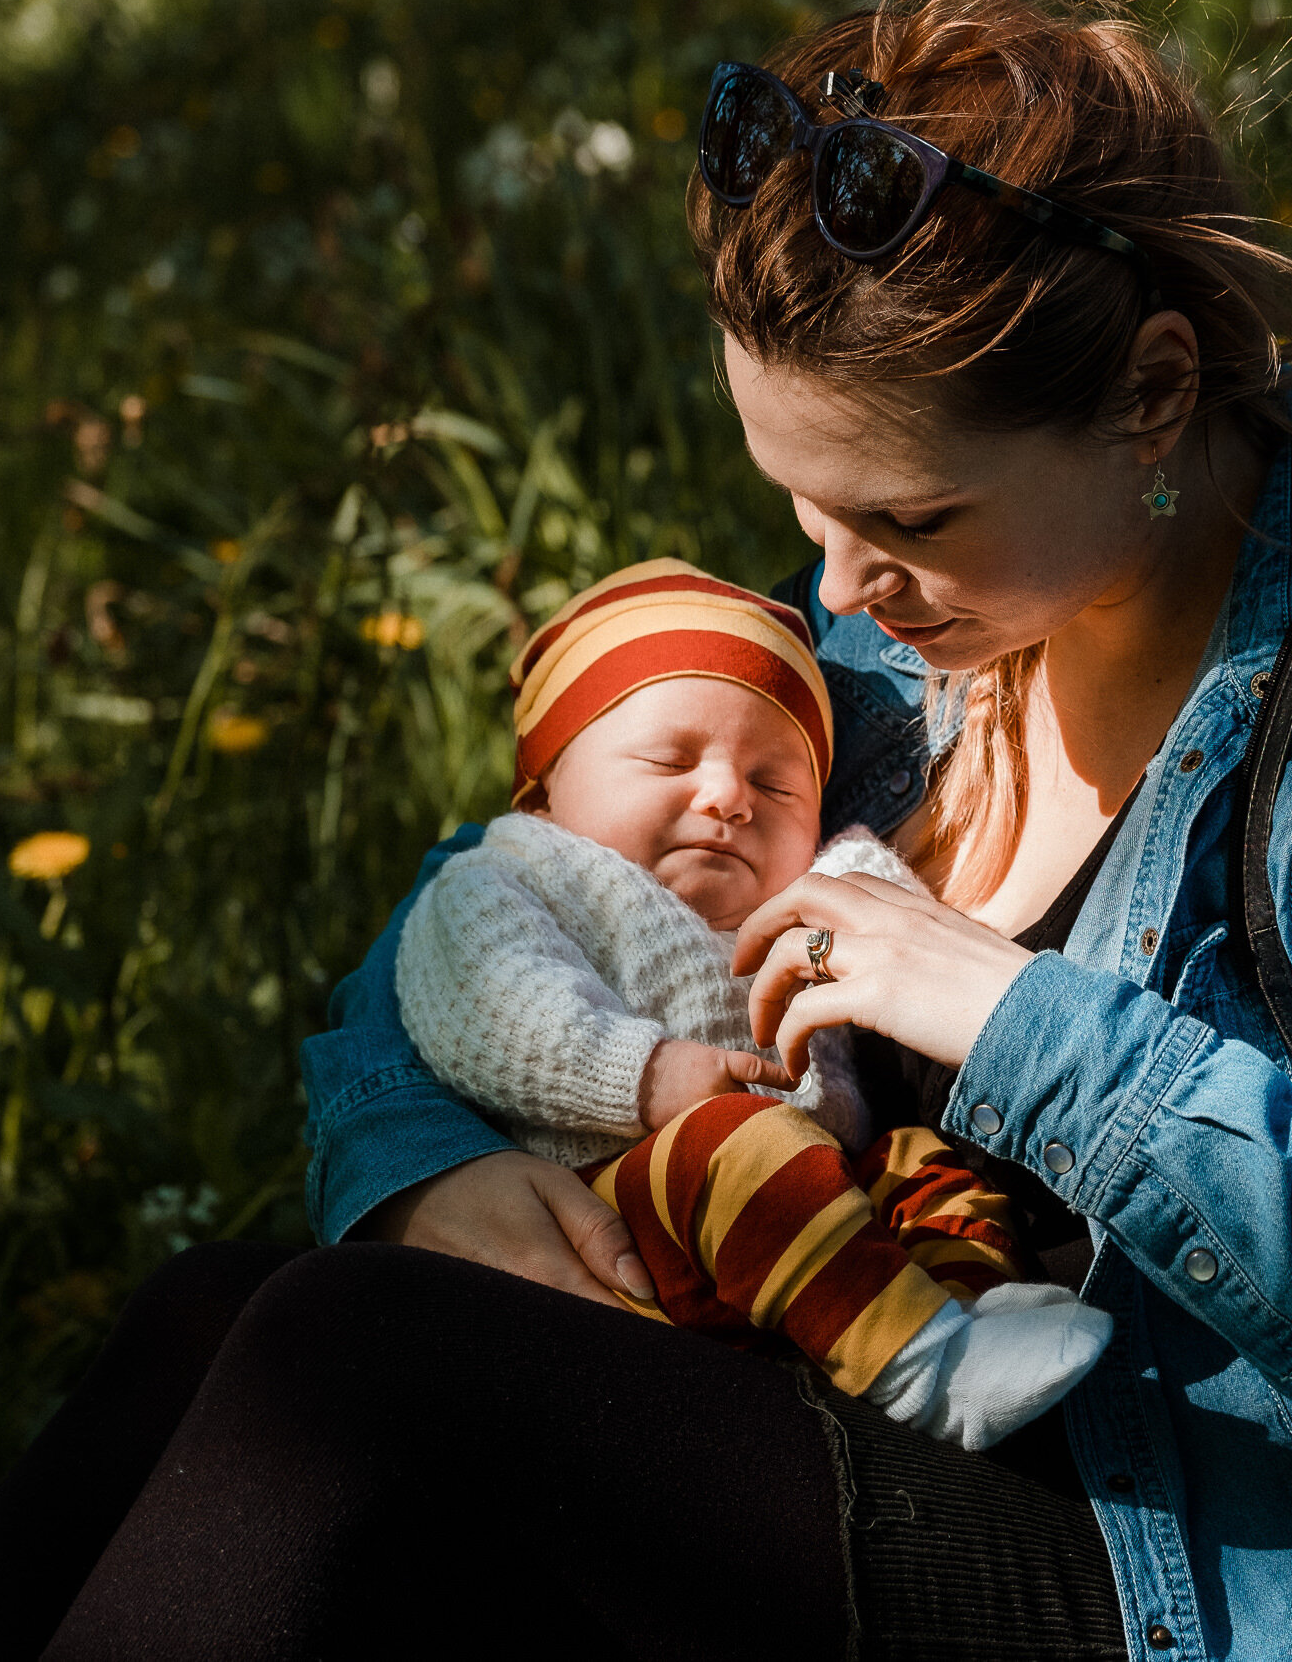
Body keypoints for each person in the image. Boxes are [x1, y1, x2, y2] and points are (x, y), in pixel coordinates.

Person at [0, 0, 1292, 1656]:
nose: (838, 586)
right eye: (800, 501)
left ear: (1156, 393)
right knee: (218, 1312)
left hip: (1203, 1550)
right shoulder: (901, 658)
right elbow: (480, 913)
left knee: (353, 1363)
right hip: (854, 1362)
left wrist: (1013, 1018)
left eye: (915, 518)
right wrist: (421, 1174)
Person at [398, 556, 1111, 1446]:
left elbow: (885, 904)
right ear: (545, 793)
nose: (729, 796)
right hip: (629, 1197)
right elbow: (484, 1004)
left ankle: (972, 1312)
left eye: (778, 784)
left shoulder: (806, 888)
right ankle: (922, 1366)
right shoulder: (515, 873)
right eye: (671, 759)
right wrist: (647, 1075)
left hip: (817, 1200)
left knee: (923, 1160)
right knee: (732, 1140)